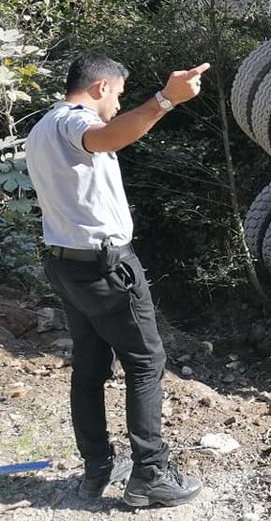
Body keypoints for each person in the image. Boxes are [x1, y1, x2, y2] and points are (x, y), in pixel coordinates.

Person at [25, 52, 208, 507]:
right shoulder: (74, 120)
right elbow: (105, 137)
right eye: (118, 95)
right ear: (101, 87)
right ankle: (150, 475)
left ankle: (96, 470)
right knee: (146, 363)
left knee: (89, 369)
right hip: (104, 267)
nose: (117, 105)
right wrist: (165, 100)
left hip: (67, 266)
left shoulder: (41, 128)